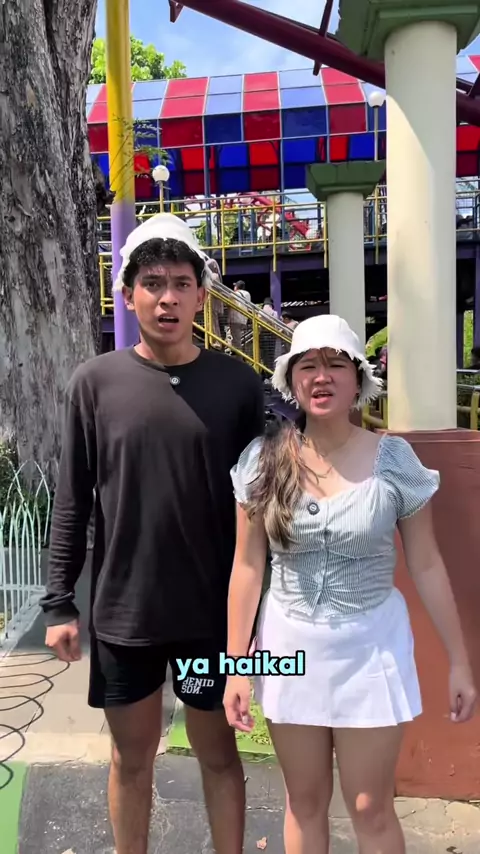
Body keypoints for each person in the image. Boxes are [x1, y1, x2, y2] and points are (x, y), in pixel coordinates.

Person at [41, 213, 265, 854]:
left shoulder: (237, 385)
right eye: (153, 283)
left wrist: (256, 620)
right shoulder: (94, 383)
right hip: (125, 612)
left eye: (181, 284)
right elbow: (72, 499)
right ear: (128, 293)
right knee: (131, 759)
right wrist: (60, 603)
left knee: (218, 756)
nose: (168, 298)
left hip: (210, 616)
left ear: (201, 294)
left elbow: (260, 512)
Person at [223, 315, 477, 854]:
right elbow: (247, 567)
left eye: (336, 364)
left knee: (369, 806)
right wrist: (236, 666)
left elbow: (427, 564)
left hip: (371, 648)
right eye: (308, 365)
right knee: (304, 800)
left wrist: (459, 660)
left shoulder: (394, 461)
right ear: (291, 380)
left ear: (358, 378)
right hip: (288, 646)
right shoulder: (263, 462)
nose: (321, 376)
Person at [228, 280, 251, 353]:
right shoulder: (247, 294)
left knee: (236, 341)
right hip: (244, 319)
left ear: (236, 287)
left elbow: (228, 303)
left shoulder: (233, 294)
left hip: (235, 319)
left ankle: (238, 357)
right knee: (239, 339)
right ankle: (238, 353)